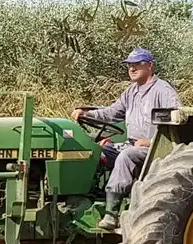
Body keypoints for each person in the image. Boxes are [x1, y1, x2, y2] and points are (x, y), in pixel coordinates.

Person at [73, 48, 180, 230]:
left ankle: (111, 214)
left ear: (150, 66)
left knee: (126, 156)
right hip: (132, 144)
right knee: (96, 151)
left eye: (137, 64)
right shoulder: (131, 92)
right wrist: (87, 114)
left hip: (155, 148)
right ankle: (86, 201)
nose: (132, 68)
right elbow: (112, 113)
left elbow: (176, 119)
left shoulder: (163, 90)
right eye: (130, 65)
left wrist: (152, 142)